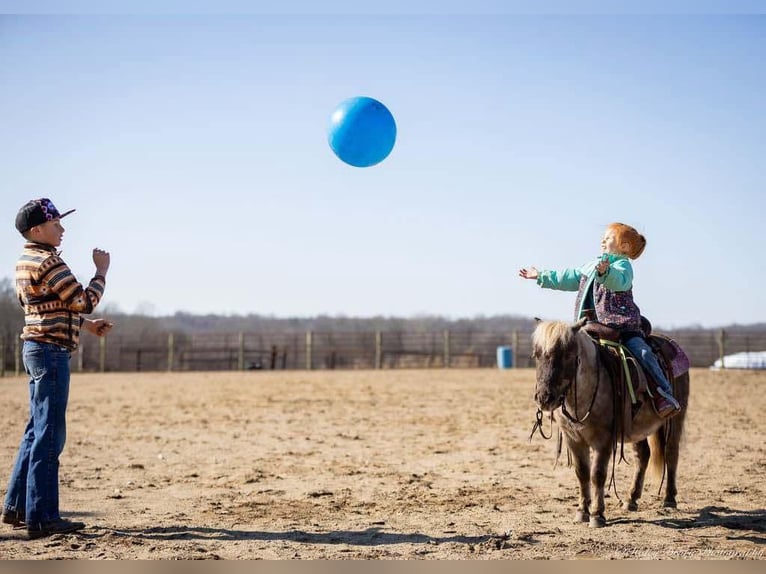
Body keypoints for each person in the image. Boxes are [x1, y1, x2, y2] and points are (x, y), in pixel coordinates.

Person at [1, 198, 113, 540]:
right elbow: (83, 299)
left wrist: (85, 324)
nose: (62, 229)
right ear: (37, 229)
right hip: (51, 352)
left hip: (35, 348)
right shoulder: (49, 261)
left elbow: (48, 305)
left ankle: (17, 506)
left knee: (36, 429)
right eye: (56, 224)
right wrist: (101, 272)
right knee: (50, 434)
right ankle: (43, 516)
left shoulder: (26, 260)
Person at [519, 222, 680, 418]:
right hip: (591, 325)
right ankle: (561, 396)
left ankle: (662, 393)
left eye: (609, 238)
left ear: (624, 247)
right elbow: (569, 277)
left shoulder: (623, 266)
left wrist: (605, 273)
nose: (603, 240)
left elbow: (619, 281)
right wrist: (541, 276)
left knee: (644, 353)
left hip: (623, 327)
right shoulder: (591, 265)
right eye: (603, 237)